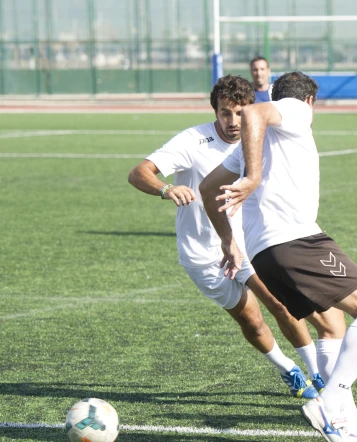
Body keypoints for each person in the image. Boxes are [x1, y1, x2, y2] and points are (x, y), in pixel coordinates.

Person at [200, 71, 357, 442]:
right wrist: (255, 177)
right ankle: (330, 404)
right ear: (310, 100)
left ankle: (349, 423)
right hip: (297, 242)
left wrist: (229, 240)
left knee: (331, 326)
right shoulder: (295, 110)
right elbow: (257, 112)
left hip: (265, 254)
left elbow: (208, 188)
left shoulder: (247, 143)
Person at [128, 74, 343, 400]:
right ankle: (289, 370)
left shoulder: (261, 136)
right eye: (225, 112)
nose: (233, 121)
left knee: (279, 304)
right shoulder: (191, 141)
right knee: (252, 321)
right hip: (201, 251)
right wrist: (166, 188)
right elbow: (139, 172)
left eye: (241, 113)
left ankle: (318, 376)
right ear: (214, 111)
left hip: (244, 242)